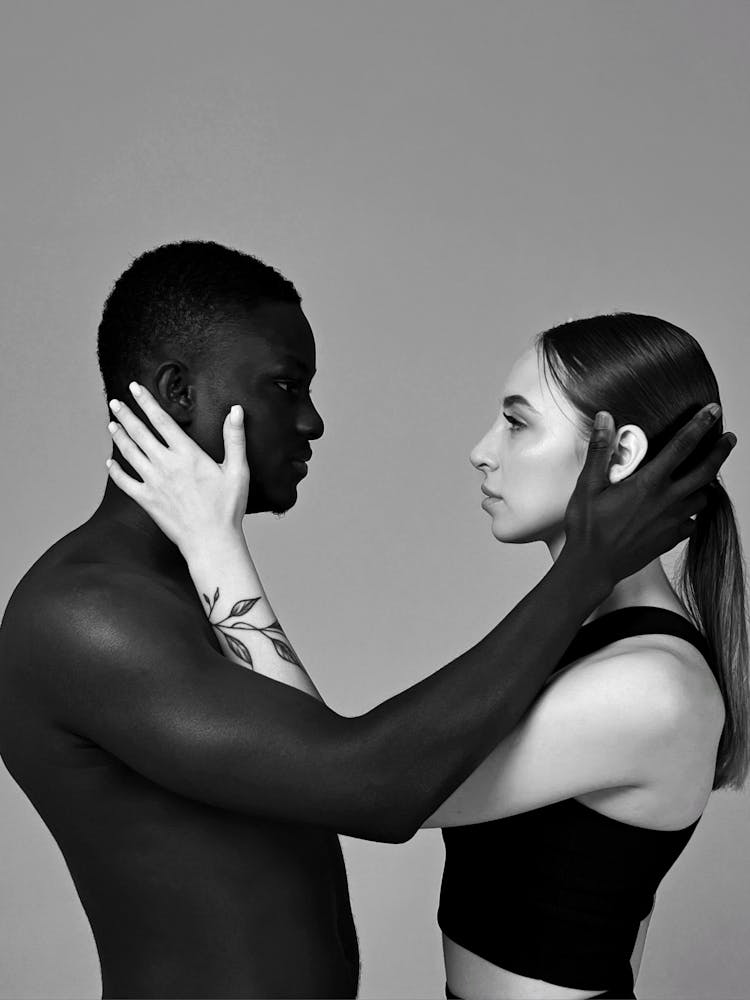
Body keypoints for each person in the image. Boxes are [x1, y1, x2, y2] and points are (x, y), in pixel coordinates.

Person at [0, 242, 734, 1000]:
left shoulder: (646, 681)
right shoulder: (92, 616)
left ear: (622, 453)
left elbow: (359, 776)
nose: (314, 421)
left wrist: (215, 550)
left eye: (517, 425)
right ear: (178, 391)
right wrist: (588, 567)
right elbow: (358, 783)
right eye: (288, 386)